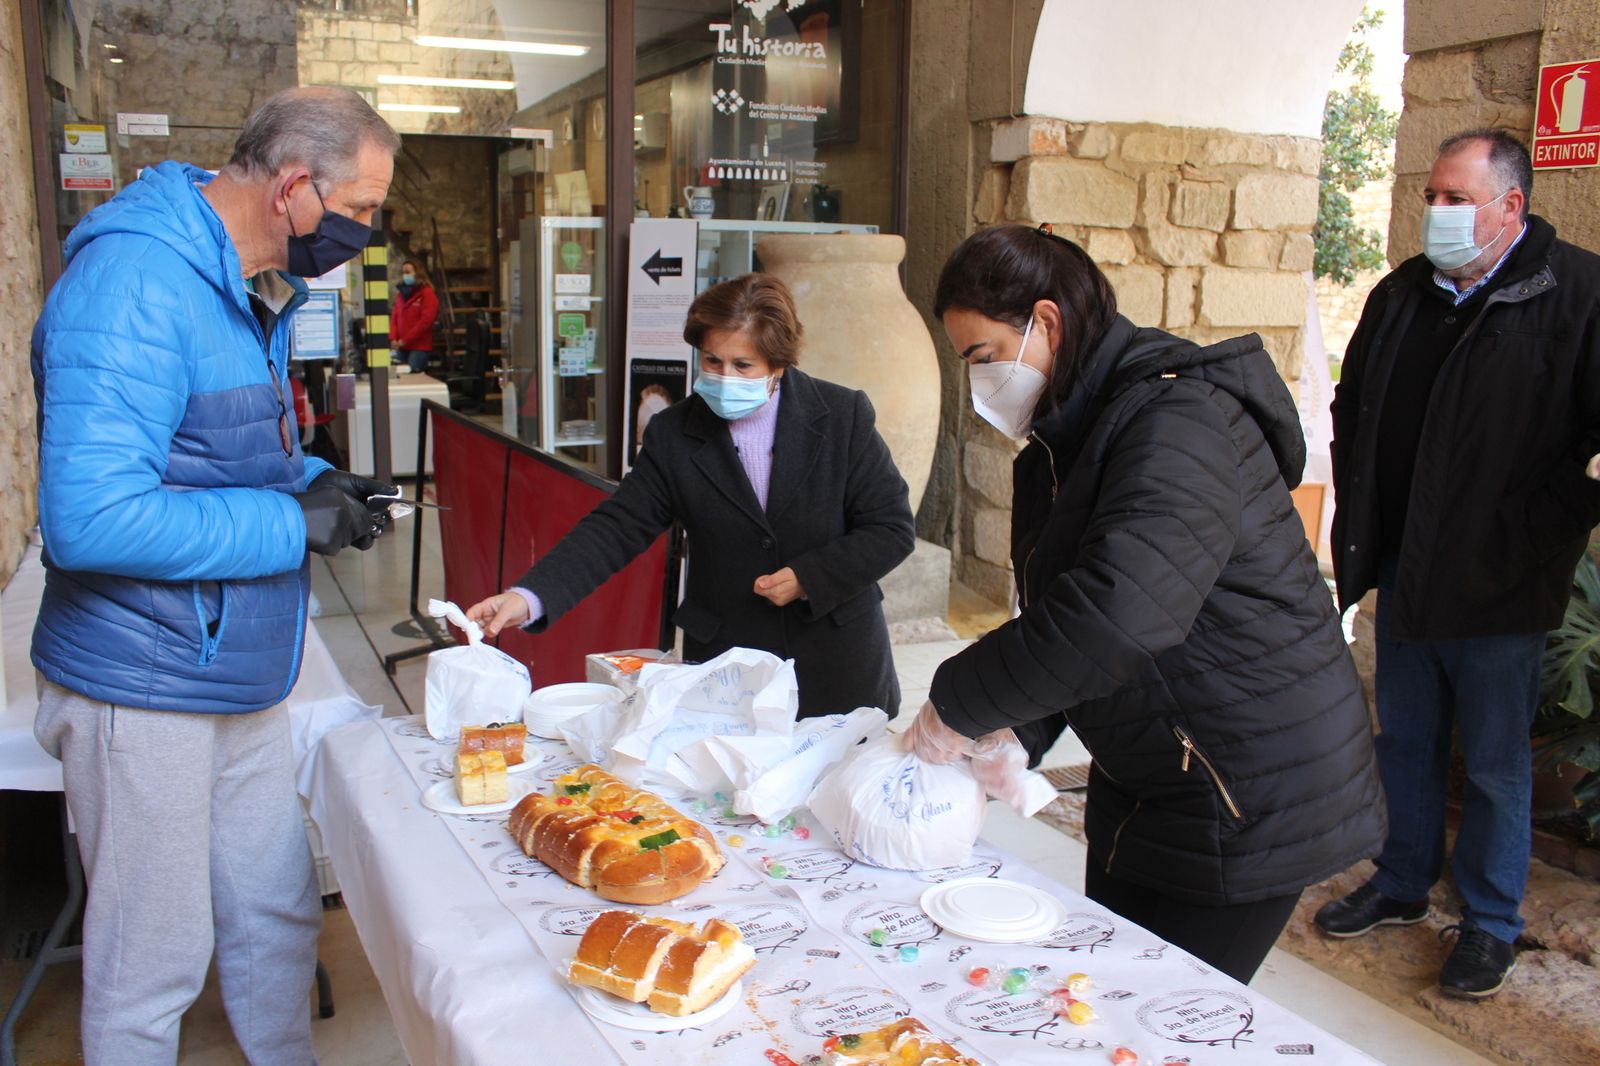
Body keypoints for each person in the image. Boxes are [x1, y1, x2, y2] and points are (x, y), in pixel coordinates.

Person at [906, 223, 1386, 985]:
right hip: (1154, 771)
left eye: (985, 357)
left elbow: (1121, 613)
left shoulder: (1178, 422)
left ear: (1048, 322)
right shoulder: (1061, 449)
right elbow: (1060, 615)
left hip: (1243, 782)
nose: (980, 386)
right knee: (1099, 997)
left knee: (1165, 1015)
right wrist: (1018, 730)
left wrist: (957, 701)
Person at [30, 86, 400, 1064]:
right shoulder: (134, 285)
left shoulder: (234, 281)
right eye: (360, 207)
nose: (366, 232)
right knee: (151, 960)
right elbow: (90, 518)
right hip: (140, 683)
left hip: (228, 663)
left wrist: (318, 482)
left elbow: (214, 450)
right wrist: (287, 523)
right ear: (292, 187)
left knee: (275, 910)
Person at [1317, 129, 1600, 998]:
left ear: (1510, 207)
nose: (1434, 212)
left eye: (1454, 199)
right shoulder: (1404, 292)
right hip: (1406, 566)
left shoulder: (1579, 294)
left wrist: (1531, 537)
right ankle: (1402, 883)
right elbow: (1354, 399)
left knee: (1493, 763)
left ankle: (1488, 923)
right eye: (1431, 196)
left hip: (1501, 582)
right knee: (1402, 738)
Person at [468, 274, 915, 717]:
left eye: (743, 366)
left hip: (835, 658)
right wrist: (529, 596)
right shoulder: (674, 433)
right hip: (728, 665)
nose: (725, 377)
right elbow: (618, 526)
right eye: (713, 361)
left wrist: (810, 577)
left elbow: (891, 528)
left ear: (779, 364)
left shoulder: (841, 416)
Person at [391, 258, 440, 373]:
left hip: (419, 347)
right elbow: (394, 317)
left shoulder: (427, 294)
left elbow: (425, 322)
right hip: (401, 346)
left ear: (417, 273)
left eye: (408, 272)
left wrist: (406, 340)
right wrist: (393, 338)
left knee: (413, 376)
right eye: (403, 272)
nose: (405, 275)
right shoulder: (401, 295)